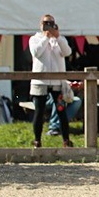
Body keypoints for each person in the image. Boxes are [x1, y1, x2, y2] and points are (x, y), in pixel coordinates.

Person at [28, 14, 73, 148]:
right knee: (39, 111)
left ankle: (66, 140)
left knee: (61, 110)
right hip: (40, 81)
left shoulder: (59, 39)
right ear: (40, 24)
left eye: (51, 23)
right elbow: (36, 52)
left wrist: (57, 37)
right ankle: (37, 140)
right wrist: (46, 38)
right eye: (46, 23)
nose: (48, 25)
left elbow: (67, 52)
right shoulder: (34, 39)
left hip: (57, 82)